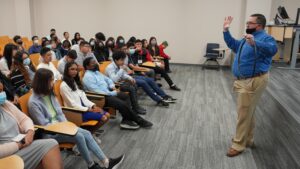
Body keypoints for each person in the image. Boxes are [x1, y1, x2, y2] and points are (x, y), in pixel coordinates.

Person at [28, 68, 124, 169]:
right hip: (50, 133)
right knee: (79, 136)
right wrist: (64, 128)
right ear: (43, 83)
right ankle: (91, 165)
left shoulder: (50, 94)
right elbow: (44, 126)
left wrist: (66, 125)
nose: (53, 82)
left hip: (62, 127)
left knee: (86, 133)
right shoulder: (33, 102)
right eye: (51, 80)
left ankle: (106, 161)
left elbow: (60, 114)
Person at [223, 14, 277, 157]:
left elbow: (273, 50)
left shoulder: (265, 38)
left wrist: (255, 43)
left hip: (254, 80)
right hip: (243, 80)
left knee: (244, 112)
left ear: (258, 25)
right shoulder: (247, 37)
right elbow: (233, 45)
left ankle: (238, 144)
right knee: (248, 111)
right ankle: (248, 139)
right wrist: (226, 30)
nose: (247, 25)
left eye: (249, 23)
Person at [0, 81, 63, 169]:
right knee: (50, 145)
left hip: (20, 146)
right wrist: (18, 145)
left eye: (1, 91)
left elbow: (24, 119)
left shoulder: (4, 104)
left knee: (50, 149)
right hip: (6, 156)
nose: (2, 94)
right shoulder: (34, 101)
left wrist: (30, 132)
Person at [82, 57, 153, 129]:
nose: (96, 64)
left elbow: (108, 79)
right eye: (93, 63)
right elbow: (97, 91)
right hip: (101, 97)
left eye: (95, 62)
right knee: (122, 104)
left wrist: (112, 86)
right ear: (87, 66)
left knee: (125, 96)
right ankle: (140, 121)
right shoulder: (87, 77)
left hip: (109, 92)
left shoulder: (97, 72)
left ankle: (126, 120)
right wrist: (113, 93)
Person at [106, 50, 175, 107]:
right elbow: (114, 80)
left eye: (123, 60)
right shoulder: (110, 67)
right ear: (115, 60)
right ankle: (158, 100)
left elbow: (124, 75)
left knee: (149, 80)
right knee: (143, 82)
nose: (123, 62)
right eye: (121, 60)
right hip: (118, 84)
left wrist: (130, 78)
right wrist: (122, 70)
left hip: (125, 79)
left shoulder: (119, 65)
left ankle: (164, 96)